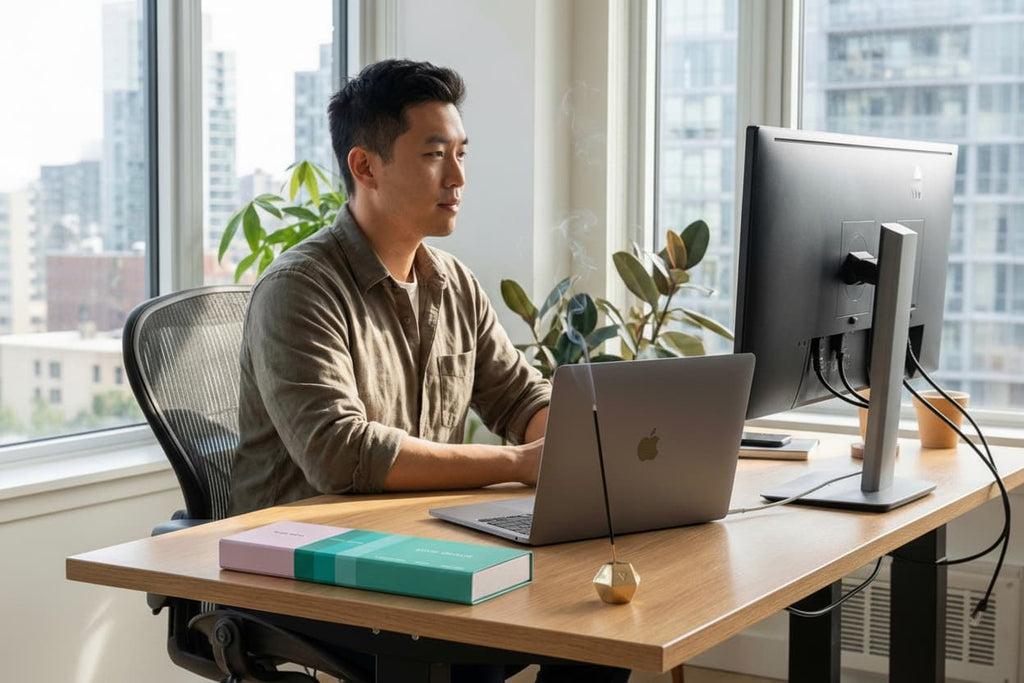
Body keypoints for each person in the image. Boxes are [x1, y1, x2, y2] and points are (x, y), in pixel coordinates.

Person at [227, 59, 630, 683]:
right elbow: (341, 454)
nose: (459, 176)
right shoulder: (300, 289)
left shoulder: (451, 283)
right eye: (435, 154)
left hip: (419, 543)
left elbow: (520, 398)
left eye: (462, 153)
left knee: (601, 626)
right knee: (480, 651)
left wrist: (581, 447)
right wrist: (519, 464)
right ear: (366, 167)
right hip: (310, 563)